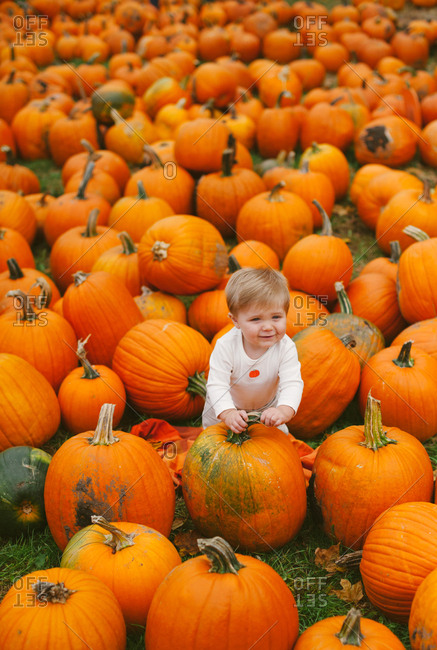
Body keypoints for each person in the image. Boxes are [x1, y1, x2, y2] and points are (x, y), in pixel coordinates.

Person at [202, 267, 304, 434]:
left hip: (266, 410)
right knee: (217, 446)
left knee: (278, 444)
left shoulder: (286, 347)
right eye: (256, 319)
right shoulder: (226, 346)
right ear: (235, 320)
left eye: (276, 317)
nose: (268, 327)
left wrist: (283, 410)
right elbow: (217, 384)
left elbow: (292, 382)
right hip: (226, 410)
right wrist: (228, 413)